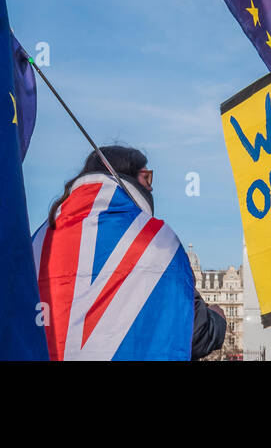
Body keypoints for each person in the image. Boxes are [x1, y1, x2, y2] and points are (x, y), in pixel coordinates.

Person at [34, 145, 226, 360]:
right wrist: (218, 317)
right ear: (129, 177)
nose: (151, 188)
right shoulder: (155, 241)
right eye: (147, 177)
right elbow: (197, 333)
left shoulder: (38, 241)